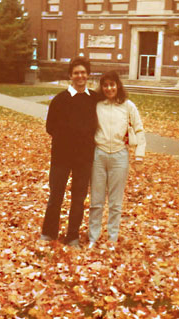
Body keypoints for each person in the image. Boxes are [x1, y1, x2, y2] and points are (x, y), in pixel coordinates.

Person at [41, 57, 98, 248]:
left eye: (83, 72)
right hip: (61, 157)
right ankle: (49, 232)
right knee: (56, 195)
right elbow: (50, 127)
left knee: (78, 197)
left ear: (88, 75)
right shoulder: (59, 100)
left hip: (84, 158)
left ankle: (72, 235)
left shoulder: (95, 99)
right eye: (76, 73)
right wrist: (68, 138)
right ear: (70, 76)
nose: (80, 76)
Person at [88, 71, 146, 249]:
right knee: (96, 200)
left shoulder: (128, 106)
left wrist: (139, 155)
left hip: (120, 156)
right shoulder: (97, 105)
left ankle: (112, 237)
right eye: (105, 85)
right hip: (99, 154)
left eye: (112, 85)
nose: (109, 88)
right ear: (102, 87)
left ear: (118, 85)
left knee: (115, 201)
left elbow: (139, 130)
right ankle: (93, 237)